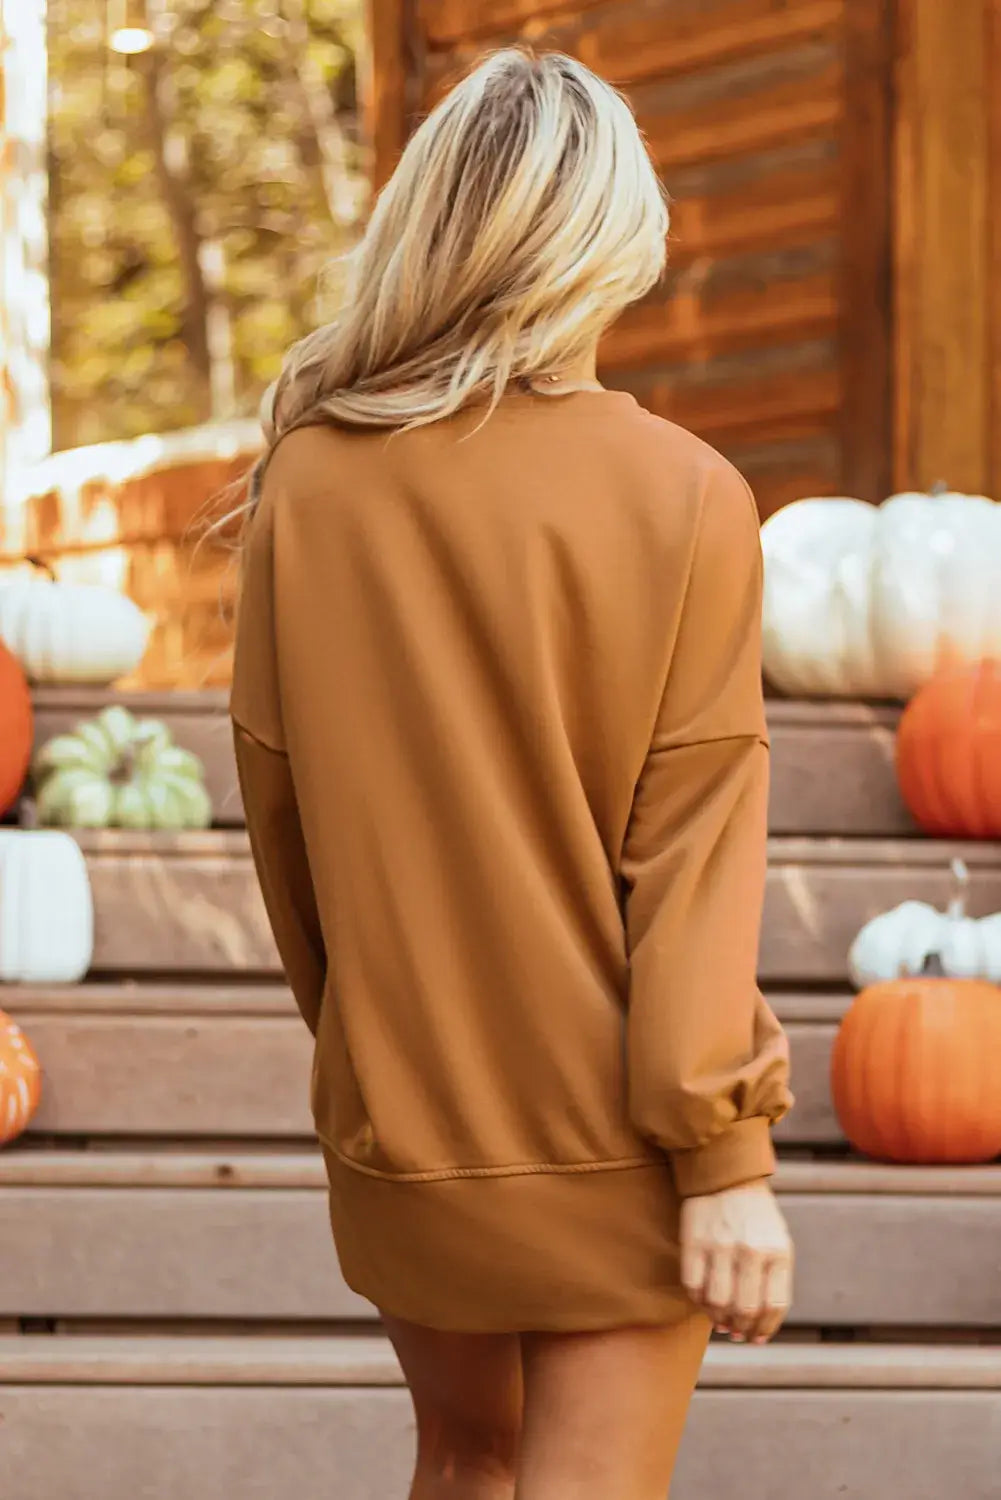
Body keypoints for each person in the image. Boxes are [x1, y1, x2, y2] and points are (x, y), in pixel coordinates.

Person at [230, 46, 794, 1500]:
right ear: (617, 236)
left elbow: (284, 829)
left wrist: (375, 1051)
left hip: (403, 1117)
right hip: (611, 1134)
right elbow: (689, 849)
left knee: (465, 1463)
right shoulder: (682, 494)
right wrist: (725, 1158)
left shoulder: (310, 483)